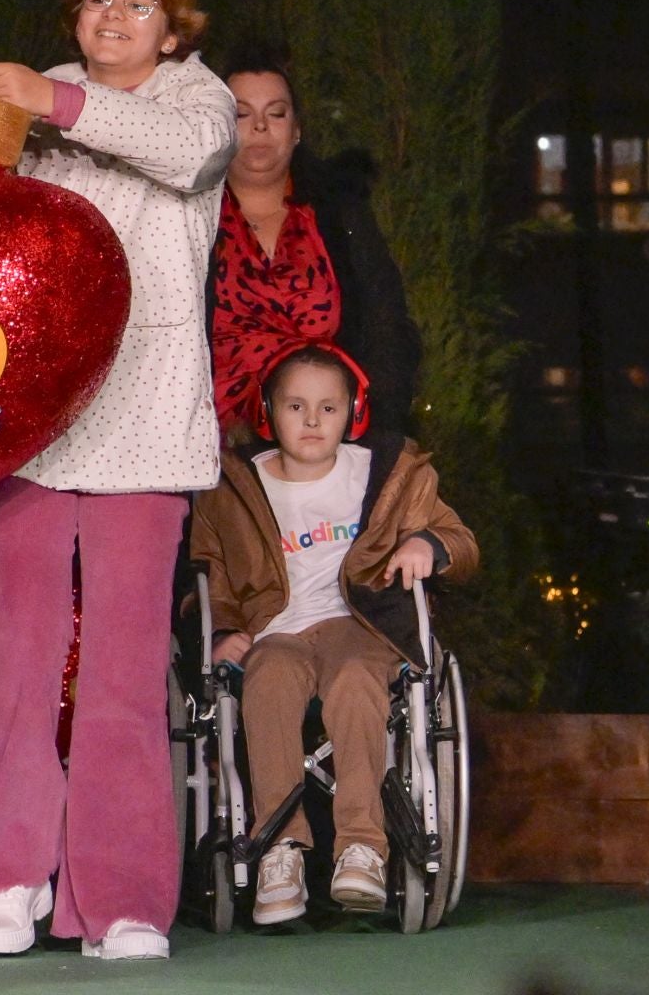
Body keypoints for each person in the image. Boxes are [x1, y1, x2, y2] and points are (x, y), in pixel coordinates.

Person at [0, 0, 235, 960]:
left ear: (173, 26)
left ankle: (119, 899)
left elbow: (186, 155)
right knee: (16, 653)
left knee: (124, 666)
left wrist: (54, 103)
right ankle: (12, 874)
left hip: (147, 415)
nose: (113, 16)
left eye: (138, 3)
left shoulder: (196, 98)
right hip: (32, 413)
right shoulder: (32, 98)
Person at [189, 342, 476, 924]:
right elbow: (209, 572)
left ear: (353, 412)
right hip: (276, 631)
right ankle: (279, 849)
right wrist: (223, 631)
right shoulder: (234, 487)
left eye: (329, 407)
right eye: (296, 406)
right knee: (268, 679)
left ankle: (362, 848)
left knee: (355, 677)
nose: (313, 421)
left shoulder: (391, 475)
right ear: (268, 411)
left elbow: (462, 543)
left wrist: (428, 543)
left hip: (360, 624)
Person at [212, 49, 420, 438]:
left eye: (276, 113)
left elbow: (387, 323)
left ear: (296, 130)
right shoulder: (189, 218)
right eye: (241, 114)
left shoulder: (337, 215)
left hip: (329, 441)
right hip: (213, 445)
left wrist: (373, 428)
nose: (260, 127)